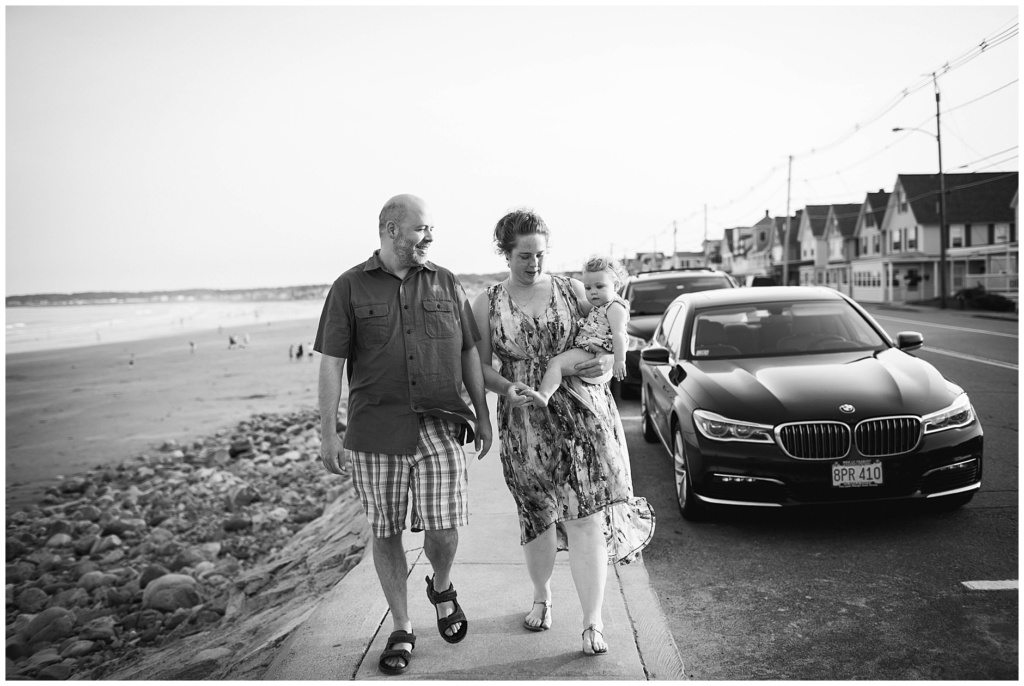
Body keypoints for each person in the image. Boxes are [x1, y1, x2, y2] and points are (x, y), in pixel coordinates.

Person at [315, 193, 492, 676]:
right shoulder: (348, 287)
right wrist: (329, 432)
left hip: (439, 424)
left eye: (431, 229)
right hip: (375, 432)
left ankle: (442, 584)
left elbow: (469, 352)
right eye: (421, 228)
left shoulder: (446, 281)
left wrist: (483, 413)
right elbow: (331, 364)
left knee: (444, 528)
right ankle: (402, 625)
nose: (429, 237)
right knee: (386, 531)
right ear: (392, 230)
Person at [470, 209, 653, 657]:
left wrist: (606, 364)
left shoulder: (574, 290)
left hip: (584, 417)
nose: (534, 263)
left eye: (540, 254)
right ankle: (542, 595)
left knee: (587, 516)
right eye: (524, 256)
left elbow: (609, 334)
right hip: (524, 422)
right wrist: (505, 388)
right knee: (538, 516)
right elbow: (477, 367)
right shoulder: (486, 303)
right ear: (505, 253)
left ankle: (593, 622)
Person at [528, 255, 629, 408]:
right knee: (558, 365)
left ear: (615, 286)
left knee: (556, 364)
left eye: (599, 286)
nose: (593, 292)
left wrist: (619, 360)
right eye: (588, 288)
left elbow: (619, 334)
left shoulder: (615, 307)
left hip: (592, 351)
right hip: (589, 349)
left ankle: (544, 394)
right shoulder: (600, 306)